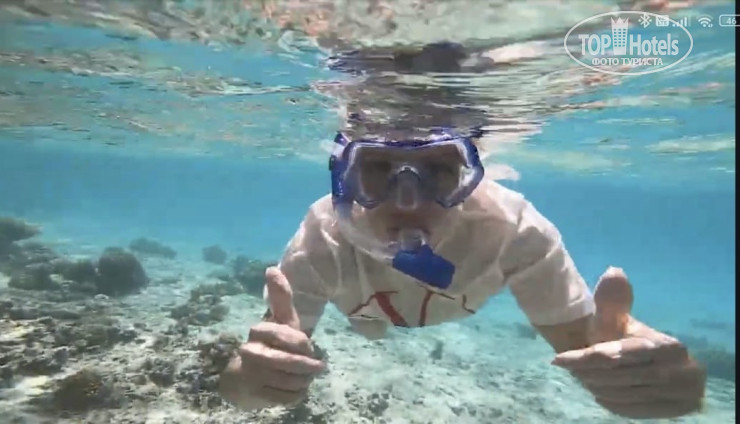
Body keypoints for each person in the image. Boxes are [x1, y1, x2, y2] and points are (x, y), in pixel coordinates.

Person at [218, 128, 706, 419]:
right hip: (366, 310)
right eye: (379, 167)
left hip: (393, 303)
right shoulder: (322, 238)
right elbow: (250, 376)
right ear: (346, 177)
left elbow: (586, 348)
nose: (408, 201)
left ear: (472, 176)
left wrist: (645, 377)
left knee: (371, 321)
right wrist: (250, 382)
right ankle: (372, 327)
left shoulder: (514, 230)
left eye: (439, 170)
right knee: (369, 326)